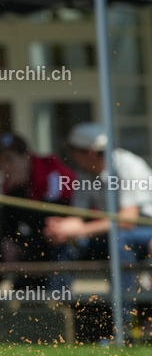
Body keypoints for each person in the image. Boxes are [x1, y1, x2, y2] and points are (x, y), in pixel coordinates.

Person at [45, 122, 152, 289]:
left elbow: (128, 220)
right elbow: (78, 216)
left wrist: (79, 230)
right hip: (116, 231)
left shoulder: (129, 166)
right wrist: (62, 228)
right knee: (69, 242)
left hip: (145, 230)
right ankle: (58, 301)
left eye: (73, 152)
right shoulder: (85, 172)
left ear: (90, 153)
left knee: (119, 240)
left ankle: (126, 303)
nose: (72, 158)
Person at [0, 132, 75, 265]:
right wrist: (7, 240)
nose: (5, 167)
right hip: (41, 236)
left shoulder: (52, 173)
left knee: (34, 250)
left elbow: (49, 221)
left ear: (26, 156)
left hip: (67, 237)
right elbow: (9, 224)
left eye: (9, 159)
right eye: (0, 162)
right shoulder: (12, 183)